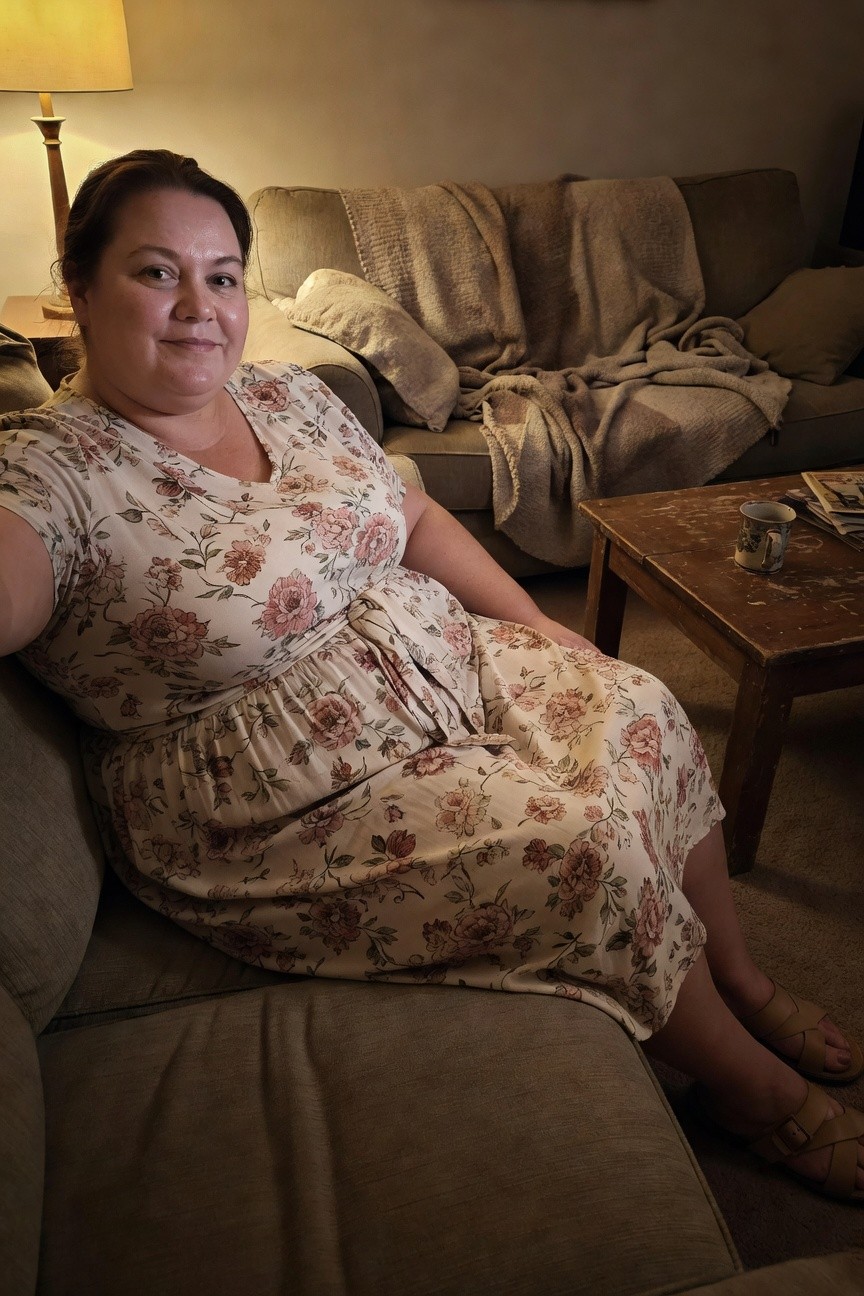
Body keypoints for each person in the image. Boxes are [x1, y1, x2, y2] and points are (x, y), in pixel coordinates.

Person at [0, 148, 861, 1204]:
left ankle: (738, 976)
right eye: (155, 272)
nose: (199, 308)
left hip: (432, 660)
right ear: (78, 286)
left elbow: (411, 513)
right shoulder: (52, 467)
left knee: (642, 704)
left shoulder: (284, 395)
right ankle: (750, 1091)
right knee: (579, 846)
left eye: (222, 275)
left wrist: (558, 640)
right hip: (285, 799)